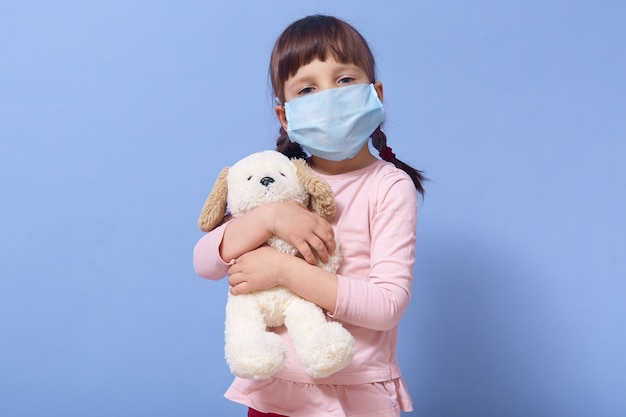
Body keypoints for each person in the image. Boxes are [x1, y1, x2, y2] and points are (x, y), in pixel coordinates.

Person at [194, 14, 425, 417]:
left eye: (344, 80)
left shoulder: (389, 187)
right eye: (307, 89)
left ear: (376, 94)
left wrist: (283, 271)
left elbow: (388, 305)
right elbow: (204, 262)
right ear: (285, 116)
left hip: (357, 393)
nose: (328, 97)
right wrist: (270, 220)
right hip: (276, 392)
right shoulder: (277, 182)